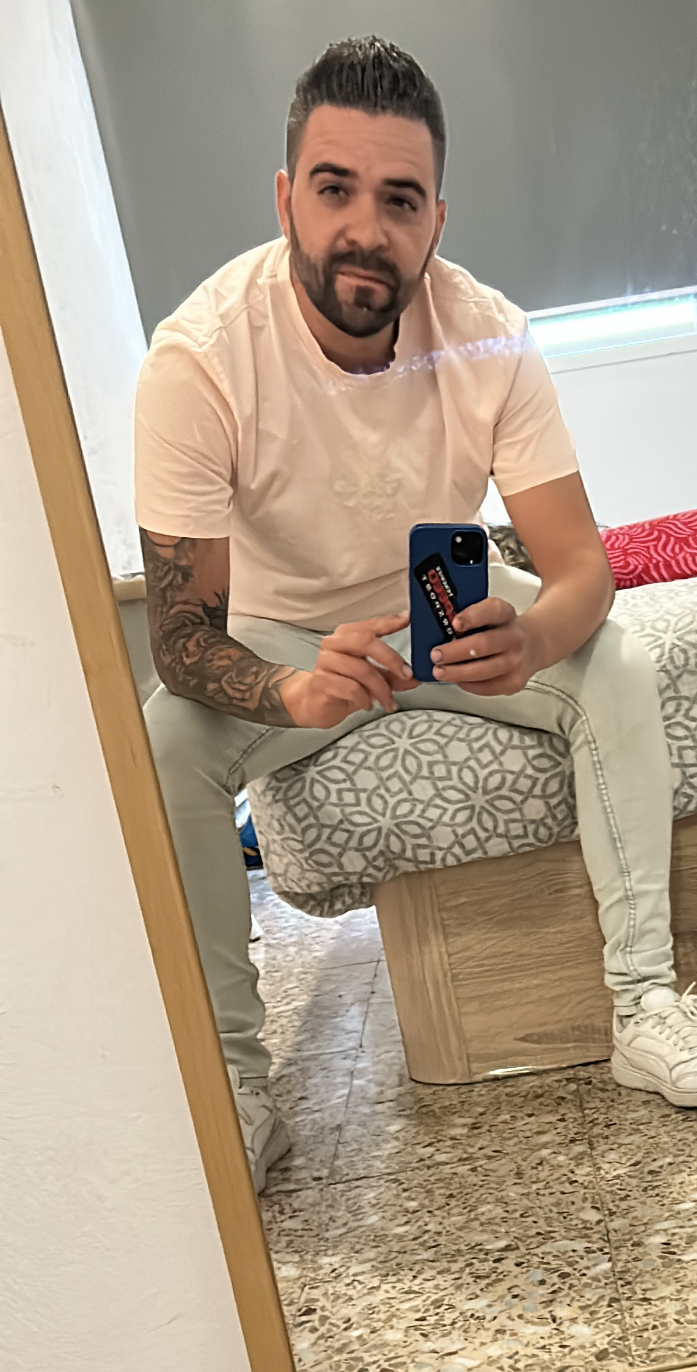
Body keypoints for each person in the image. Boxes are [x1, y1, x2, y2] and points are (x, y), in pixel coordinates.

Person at [135, 35, 697, 1193]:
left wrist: (535, 637)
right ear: (286, 198)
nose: (365, 228)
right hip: (280, 635)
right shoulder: (198, 360)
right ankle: (237, 1084)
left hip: (444, 601)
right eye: (333, 188)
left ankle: (646, 1005)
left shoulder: (489, 331)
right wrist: (288, 689)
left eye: (398, 200)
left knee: (614, 661)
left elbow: (580, 569)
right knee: (164, 742)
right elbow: (183, 640)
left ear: (435, 219)